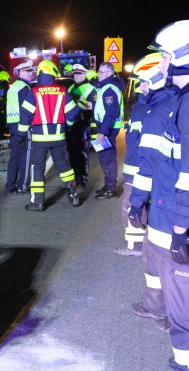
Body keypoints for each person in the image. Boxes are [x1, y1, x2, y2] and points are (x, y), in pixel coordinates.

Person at [149, 19, 189, 371]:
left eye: (164, 56)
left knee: (182, 309)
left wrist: (180, 230)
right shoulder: (181, 100)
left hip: (181, 227)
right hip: (172, 218)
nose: (161, 64)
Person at [126, 52, 179, 331]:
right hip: (166, 197)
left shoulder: (160, 112)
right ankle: (157, 306)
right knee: (153, 254)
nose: (141, 88)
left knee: (168, 259)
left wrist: (136, 203)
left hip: (166, 199)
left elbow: (147, 162)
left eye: (143, 83)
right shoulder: (173, 103)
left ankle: (176, 314)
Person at [114, 53, 168, 258]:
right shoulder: (164, 105)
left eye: (144, 82)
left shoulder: (146, 110)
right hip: (152, 169)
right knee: (151, 205)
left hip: (139, 169)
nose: (140, 87)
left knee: (131, 205)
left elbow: (138, 145)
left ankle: (135, 245)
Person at [17, 59, 80, 211]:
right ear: (52, 74)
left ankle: (38, 202)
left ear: (39, 73)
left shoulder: (34, 92)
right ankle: (73, 196)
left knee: (37, 168)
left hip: (39, 140)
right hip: (59, 137)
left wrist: (20, 135)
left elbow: (25, 115)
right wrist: (68, 127)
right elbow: (73, 113)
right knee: (64, 167)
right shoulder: (62, 91)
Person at [91, 62, 124, 199]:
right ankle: (108, 185)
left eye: (102, 72)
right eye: (99, 71)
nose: (99, 74)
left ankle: (111, 189)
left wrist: (102, 132)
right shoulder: (105, 87)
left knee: (108, 158)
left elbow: (111, 113)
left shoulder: (109, 88)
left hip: (108, 129)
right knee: (103, 157)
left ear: (110, 74)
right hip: (105, 127)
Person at [5, 61, 34, 194]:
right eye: (28, 71)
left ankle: (10, 186)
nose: (31, 73)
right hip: (23, 126)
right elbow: (27, 110)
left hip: (13, 125)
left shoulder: (14, 87)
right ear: (21, 72)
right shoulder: (24, 88)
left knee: (14, 156)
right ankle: (23, 186)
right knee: (26, 156)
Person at [67, 64, 95, 189]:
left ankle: (82, 178)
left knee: (82, 152)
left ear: (85, 74)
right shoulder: (71, 87)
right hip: (71, 125)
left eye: (80, 73)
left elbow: (90, 107)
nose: (77, 76)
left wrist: (76, 103)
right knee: (72, 152)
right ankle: (74, 177)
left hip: (83, 123)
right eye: (75, 74)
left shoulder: (90, 88)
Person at [0, 70, 11, 141]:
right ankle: (0, 136)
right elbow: (4, 96)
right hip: (3, 108)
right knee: (2, 123)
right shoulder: (4, 87)